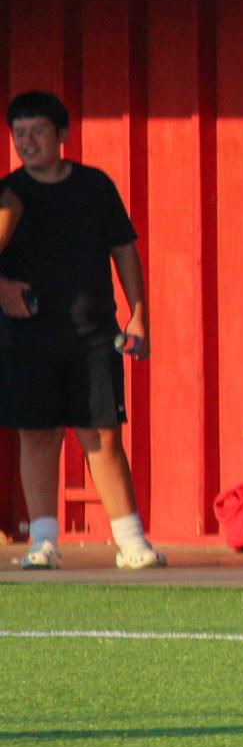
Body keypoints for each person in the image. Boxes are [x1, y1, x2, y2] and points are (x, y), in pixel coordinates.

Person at [0, 91, 163, 571]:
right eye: (19, 134)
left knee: (102, 435)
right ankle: (43, 542)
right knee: (38, 435)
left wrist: (139, 314)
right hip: (26, 336)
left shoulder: (94, 186)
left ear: (62, 135)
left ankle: (131, 541)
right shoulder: (7, 196)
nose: (28, 142)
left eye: (38, 132)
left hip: (92, 331)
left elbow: (124, 249)